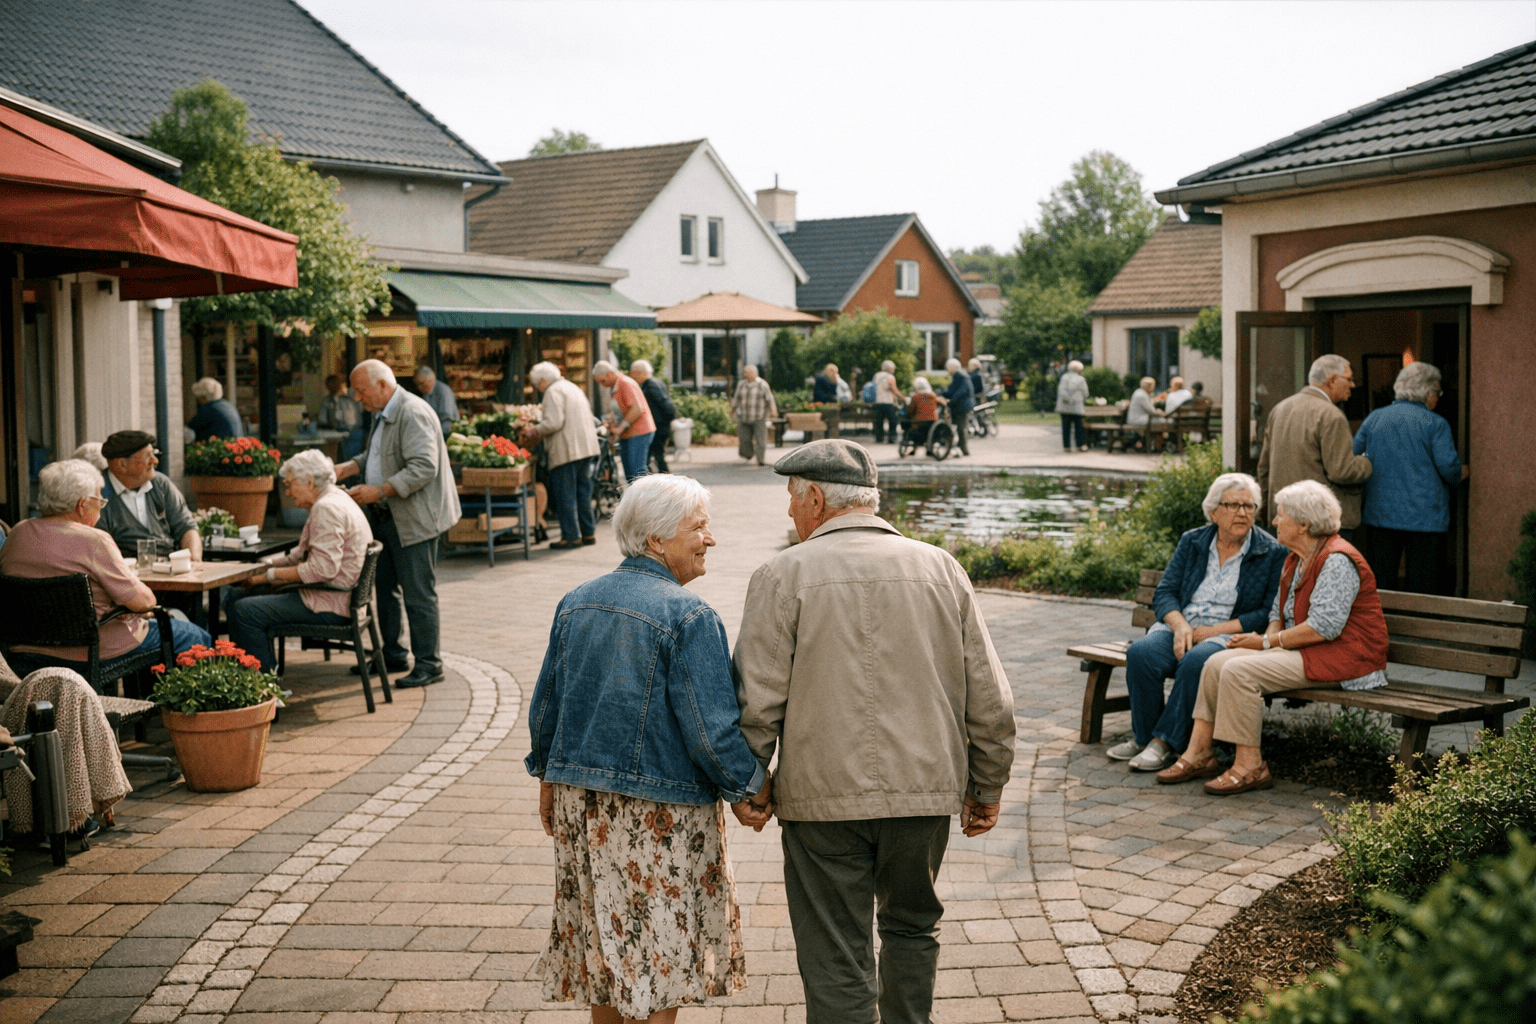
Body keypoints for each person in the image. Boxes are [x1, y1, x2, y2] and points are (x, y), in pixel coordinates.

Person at [734, 440, 1016, 1024]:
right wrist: (986, 785)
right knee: (913, 927)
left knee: (835, 949)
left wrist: (751, 782)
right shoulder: (941, 567)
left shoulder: (781, 574)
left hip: (820, 798)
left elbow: (756, 702)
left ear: (815, 497)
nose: (790, 513)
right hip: (923, 792)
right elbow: (990, 695)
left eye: (792, 499)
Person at [526, 475, 770, 1024]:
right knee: (658, 958)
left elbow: (547, 707)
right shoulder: (689, 614)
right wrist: (751, 785)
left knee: (604, 954)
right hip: (656, 814)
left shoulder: (575, 602)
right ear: (657, 540)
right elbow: (711, 731)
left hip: (581, 803)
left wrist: (548, 773)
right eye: (699, 527)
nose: (710, 539)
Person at [1156, 480, 1388, 795]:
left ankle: (1250, 765)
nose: (1274, 522)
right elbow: (1278, 614)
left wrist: (1265, 645)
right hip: (1309, 651)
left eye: (1281, 516)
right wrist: (1268, 639)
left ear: (1304, 524)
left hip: (1345, 657)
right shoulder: (1295, 558)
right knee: (1215, 663)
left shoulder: (1337, 559)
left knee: (1239, 671)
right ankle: (1199, 752)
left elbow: (1324, 627)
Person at [1106, 473, 1286, 772]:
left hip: (1228, 631)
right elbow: (1165, 591)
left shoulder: (1271, 551)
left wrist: (1214, 631)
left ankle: (1164, 743)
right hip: (1184, 626)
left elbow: (1267, 610)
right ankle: (1143, 738)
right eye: (1233, 505)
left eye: (1249, 506)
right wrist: (1180, 627)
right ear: (1214, 511)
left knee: (1198, 660)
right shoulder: (1193, 541)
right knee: (1141, 654)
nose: (1242, 512)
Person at [0, 459, 209, 679]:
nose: (101, 507)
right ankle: (187, 711)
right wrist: (117, 605)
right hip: (90, 652)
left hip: (24, 652)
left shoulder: (17, 534)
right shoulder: (94, 541)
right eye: (99, 500)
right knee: (193, 636)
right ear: (81, 505)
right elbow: (144, 602)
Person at [334, 359, 461, 689]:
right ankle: (392, 654)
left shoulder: (411, 411)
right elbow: (377, 456)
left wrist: (378, 490)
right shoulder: (384, 412)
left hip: (414, 519)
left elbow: (423, 466)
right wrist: (346, 468)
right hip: (387, 515)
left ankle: (429, 664)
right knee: (384, 590)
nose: (358, 399)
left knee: (418, 595)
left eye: (361, 392)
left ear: (381, 385)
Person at [225, 450, 372, 671]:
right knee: (237, 596)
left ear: (310, 481)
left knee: (243, 611)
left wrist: (266, 577)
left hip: (330, 603)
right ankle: (248, 674)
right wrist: (264, 567)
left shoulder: (326, 508)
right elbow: (300, 556)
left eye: (290, 483)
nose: (288, 491)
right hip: (340, 598)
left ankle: (264, 684)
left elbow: (322, 569)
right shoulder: (336, 498)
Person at [1352, 361, 1466, 594]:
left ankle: (1381, 627)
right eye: (1436, 392)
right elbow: (1449, 468)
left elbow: (1354, 455)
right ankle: (1419, 627)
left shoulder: (1375, 418)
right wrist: (1463, 472)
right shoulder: (1435, 424)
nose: (1437, 397)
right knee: (1423, 584)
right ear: (1426, 392)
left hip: (1380, 513)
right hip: (1425, 517)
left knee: (1380, 581)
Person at [1256, 354, 1373, 533]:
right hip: (1320, 520)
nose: (1353, 385)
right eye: (1349, 379)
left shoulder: (1279, 409)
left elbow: (1264, 468)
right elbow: (1341, 471)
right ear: (1332, 380)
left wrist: (1265, 507)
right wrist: (1366, 462)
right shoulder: (1332, 415)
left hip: (1283, 516)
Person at [522, 361, 600, 550]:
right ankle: (588, 533)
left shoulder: (552, 391)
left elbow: (553, 422)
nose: (537, 388)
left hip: (568, 450)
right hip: (586, 447)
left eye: (536, 384)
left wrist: (534, 430)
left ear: (542, 380)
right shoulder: (572, 387)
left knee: (565, 494)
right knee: (583, 492)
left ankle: (571, 537)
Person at [96, 430, 201, 562]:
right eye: (147, 456)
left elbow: (187, 528)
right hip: (126, 574)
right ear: (121, 464)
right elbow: (99, 549)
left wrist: (194, 562)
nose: (155, 461)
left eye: (154, 454)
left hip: (170, 569)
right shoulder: (98, 493)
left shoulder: (161, 484)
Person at [593, 360, 655, 483]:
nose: (603, 385)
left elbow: (637, 409)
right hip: (628, 433)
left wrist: (620, 428)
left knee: (637, 471)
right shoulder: (616, 386)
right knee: (630, 473)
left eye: (603, 381)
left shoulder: (625, 383)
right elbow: (621, 411)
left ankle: (643, 500)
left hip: (639, 431)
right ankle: (635, 499)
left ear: (610, 374)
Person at [630, 359, 675, 474]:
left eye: (632, 373)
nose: (631, 376)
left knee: (657, 457)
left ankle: (665, 481)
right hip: (660, 427)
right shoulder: (655, 383)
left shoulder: (650, 386)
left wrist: (660, 424)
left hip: (658, 428)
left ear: (639, 373)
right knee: (653, 457)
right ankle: (659, 480)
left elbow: (667, 408)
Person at [729, 364, 777, 467]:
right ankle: (749, 455)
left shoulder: (762, 384)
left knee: (761, 440)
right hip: (744, 416)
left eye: (748, 372)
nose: (746, 374)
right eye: (745, 372)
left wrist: (773, 410)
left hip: (759, 416)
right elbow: (737, 398)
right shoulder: (742, 384)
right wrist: (732, 408)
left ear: (754, 373)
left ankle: (760, 460)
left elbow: (770, 398)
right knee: (744, 439)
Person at [319, 374, 366, 461]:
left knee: (355, 462)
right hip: (336, 434)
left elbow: (362, 408)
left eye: (335, 383)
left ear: (340, 383)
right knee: (339, 461)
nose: (333, 386)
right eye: (330, 385)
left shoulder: (352, 394)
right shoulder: (327, 400)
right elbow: (322, 419)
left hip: (354, 432)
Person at [413, 366, 459, 439]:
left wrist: (433, 436)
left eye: (421, 384)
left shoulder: (443, 391)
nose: (419, 388)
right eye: (417, 385)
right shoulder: (426, 393)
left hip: (446, 435)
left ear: (431, 380)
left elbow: (447, 421)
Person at [941, 358, 974, 456]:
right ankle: (962, 447)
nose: (947, 370)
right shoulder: (961, 375)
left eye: (947, 368)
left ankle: (964, 449)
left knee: (961, 428)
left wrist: (949, 400)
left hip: (961, 406)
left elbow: (958, 392)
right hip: (963, 405)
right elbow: (954, 390)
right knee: (961, 427)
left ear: (952, 367)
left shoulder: (959, 375)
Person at [1055, 360, 1089, 452]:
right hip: (1077, 407)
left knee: (1066, 428)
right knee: (1079, 427)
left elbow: (1061, 391)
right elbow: (1085, 393)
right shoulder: (1081, 379)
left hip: (1065, 408)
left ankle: (1067, 446)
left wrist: (1068, 399)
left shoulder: (1064, 378)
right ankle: (1080, 445)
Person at [871, 359, 904, 444]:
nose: (894, 371)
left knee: (879, 421)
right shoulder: (890, 377)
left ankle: (879, 438)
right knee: (892, 420)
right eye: (893, 369)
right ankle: (892, 438)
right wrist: (903, 397)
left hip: (877, 402)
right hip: (888, 402)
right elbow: (894, 389)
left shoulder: (876, 375)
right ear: (890, 369)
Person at [905, 377, 939, 447]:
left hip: (919, 421)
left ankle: (915, 444)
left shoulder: (916, 397)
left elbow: (911, 410)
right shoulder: (933, 396)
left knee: (909, 422)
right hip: (932, 420)